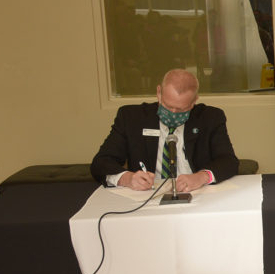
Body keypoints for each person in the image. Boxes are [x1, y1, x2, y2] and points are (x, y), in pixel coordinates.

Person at [91, 68, 239, 193]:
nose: (173, 113)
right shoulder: (131, 118)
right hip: (146, 198)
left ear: (194, 101)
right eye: (168, 106)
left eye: (181, 109)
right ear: (159, 93)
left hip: (196, 195)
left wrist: (201, 177)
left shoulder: (210, 118)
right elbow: (101, 163)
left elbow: (229, 161)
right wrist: (127, 178)